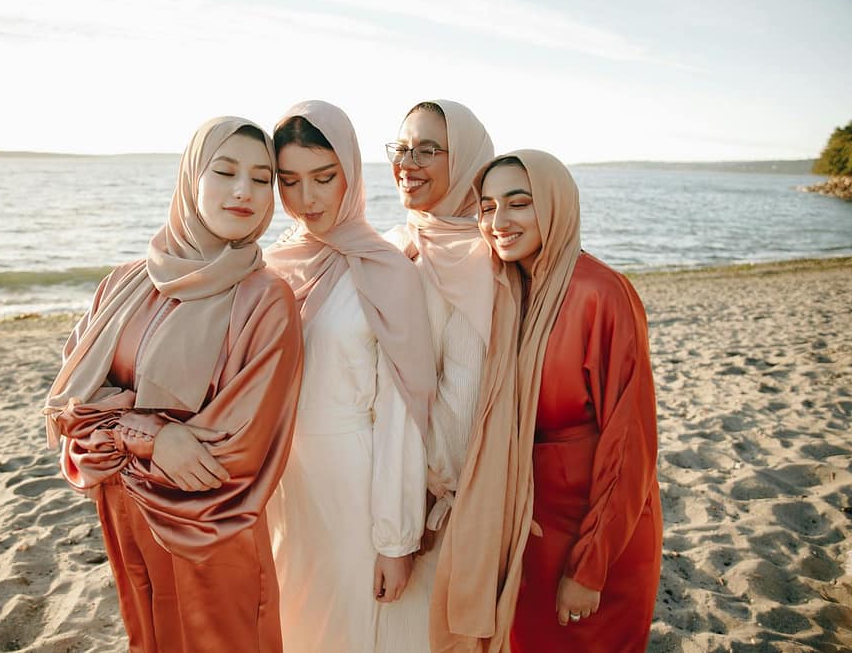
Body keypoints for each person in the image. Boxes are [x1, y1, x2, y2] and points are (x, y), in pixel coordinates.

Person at [43, 117, 303, 653]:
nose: (243, 191)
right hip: (124, 517)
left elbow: (233, 451)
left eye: (262, 178)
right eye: (225, 171)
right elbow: (68, 405)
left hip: (208, 528)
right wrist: (153, 435)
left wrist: (116, 427)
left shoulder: (266, 299)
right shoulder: (124, 283)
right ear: (191, 179)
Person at [430, 150, 662, 652]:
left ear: (555, 205)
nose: (499, 221)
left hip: (595, 529)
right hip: (522, 521)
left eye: (518, 203)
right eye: (487, 207)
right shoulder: (507, 290)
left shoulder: (601, 294)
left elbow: (630, 447)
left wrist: (590, 566)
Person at [263, 100, 436, 652]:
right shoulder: (270, 266)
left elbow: (401, 415)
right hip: (279, 483)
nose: (306, 199)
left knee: (349, 631)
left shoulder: (385, 267)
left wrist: (396, 540)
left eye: (323, 177)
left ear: (351, 173)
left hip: (354, 486)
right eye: (288, 181)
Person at [379, 99, 495, 651]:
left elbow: (462, 395)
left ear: (467, 161)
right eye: (402, 147)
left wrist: (416, 494)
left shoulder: (476, 259)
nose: (409, 161)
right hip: (378, 482)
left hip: (428, 501)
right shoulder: (396, 241)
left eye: (428, 149)